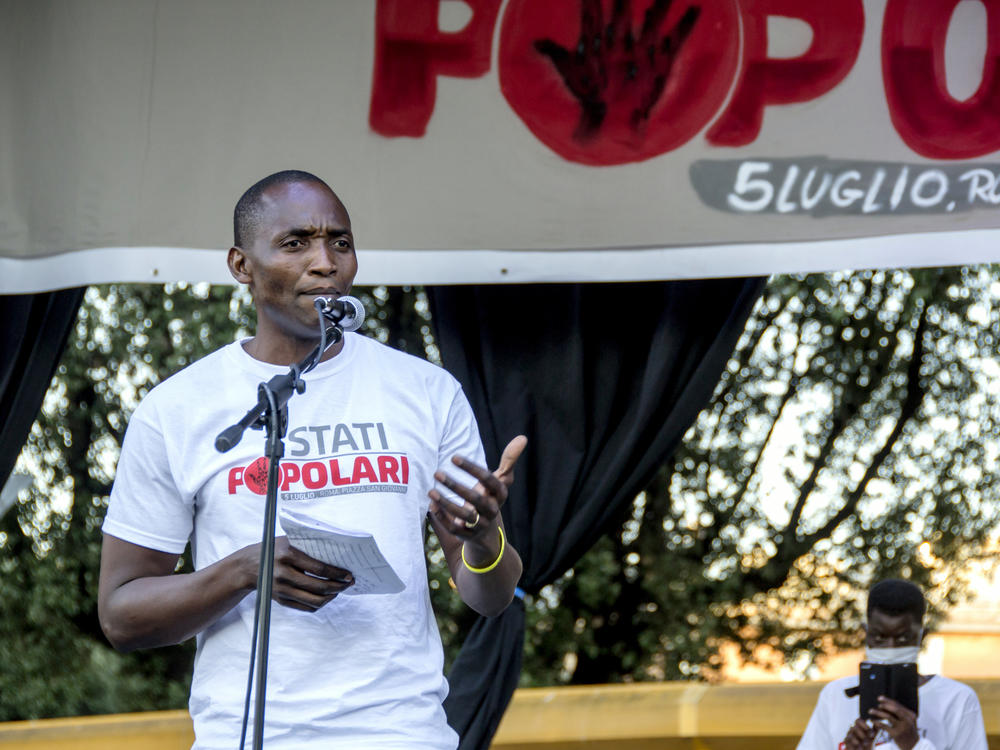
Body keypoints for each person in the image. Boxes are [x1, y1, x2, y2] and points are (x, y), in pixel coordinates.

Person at [98, 170, 525, 750]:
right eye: (295, 243)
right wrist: (245, 572)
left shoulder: (426, 392)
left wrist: (483, 540)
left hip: (399, 734)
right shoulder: (177, 409)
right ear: (241, 266)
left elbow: (490, 597)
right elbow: (122, 616)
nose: (325, 262)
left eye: (340, 243)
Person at [797, 578, 988, 750]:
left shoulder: (957, 700)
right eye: (880, 637)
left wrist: (914, 745)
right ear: (866, 633)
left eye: (903, 638)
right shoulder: (835, 696)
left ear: (922, 637)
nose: (891, 647)